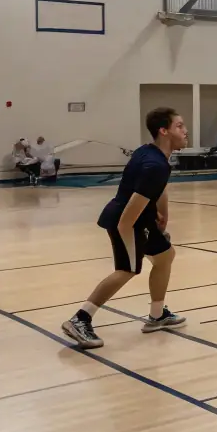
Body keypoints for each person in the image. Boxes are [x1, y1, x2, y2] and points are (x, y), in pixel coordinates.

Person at [61, 107, 188, 348]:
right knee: (128, 269)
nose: (185, 130)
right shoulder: (155, 165)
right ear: (164, 131)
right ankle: (80, 319)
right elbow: (128, 217)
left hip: (143, 218)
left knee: (165, 257)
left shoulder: (152, 154)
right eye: (179, 126)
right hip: (127, 221)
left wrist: (163, 216)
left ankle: (157, 315)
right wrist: (134, 242)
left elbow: (159, 188)